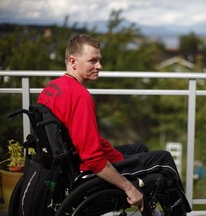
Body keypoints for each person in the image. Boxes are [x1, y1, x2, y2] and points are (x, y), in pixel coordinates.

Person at [37, 34, 191, 215]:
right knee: (164, 160)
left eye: (99, 60)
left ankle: (150, 208)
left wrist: (111, 152)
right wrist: (129, 188)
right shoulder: (80, 96)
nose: (99, 66)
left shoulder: (52, 87)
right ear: (73, 62)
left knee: (140, 147)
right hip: (85, 173)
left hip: (68, 163)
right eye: (92, 61)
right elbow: (93, 160)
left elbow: (74, 135)